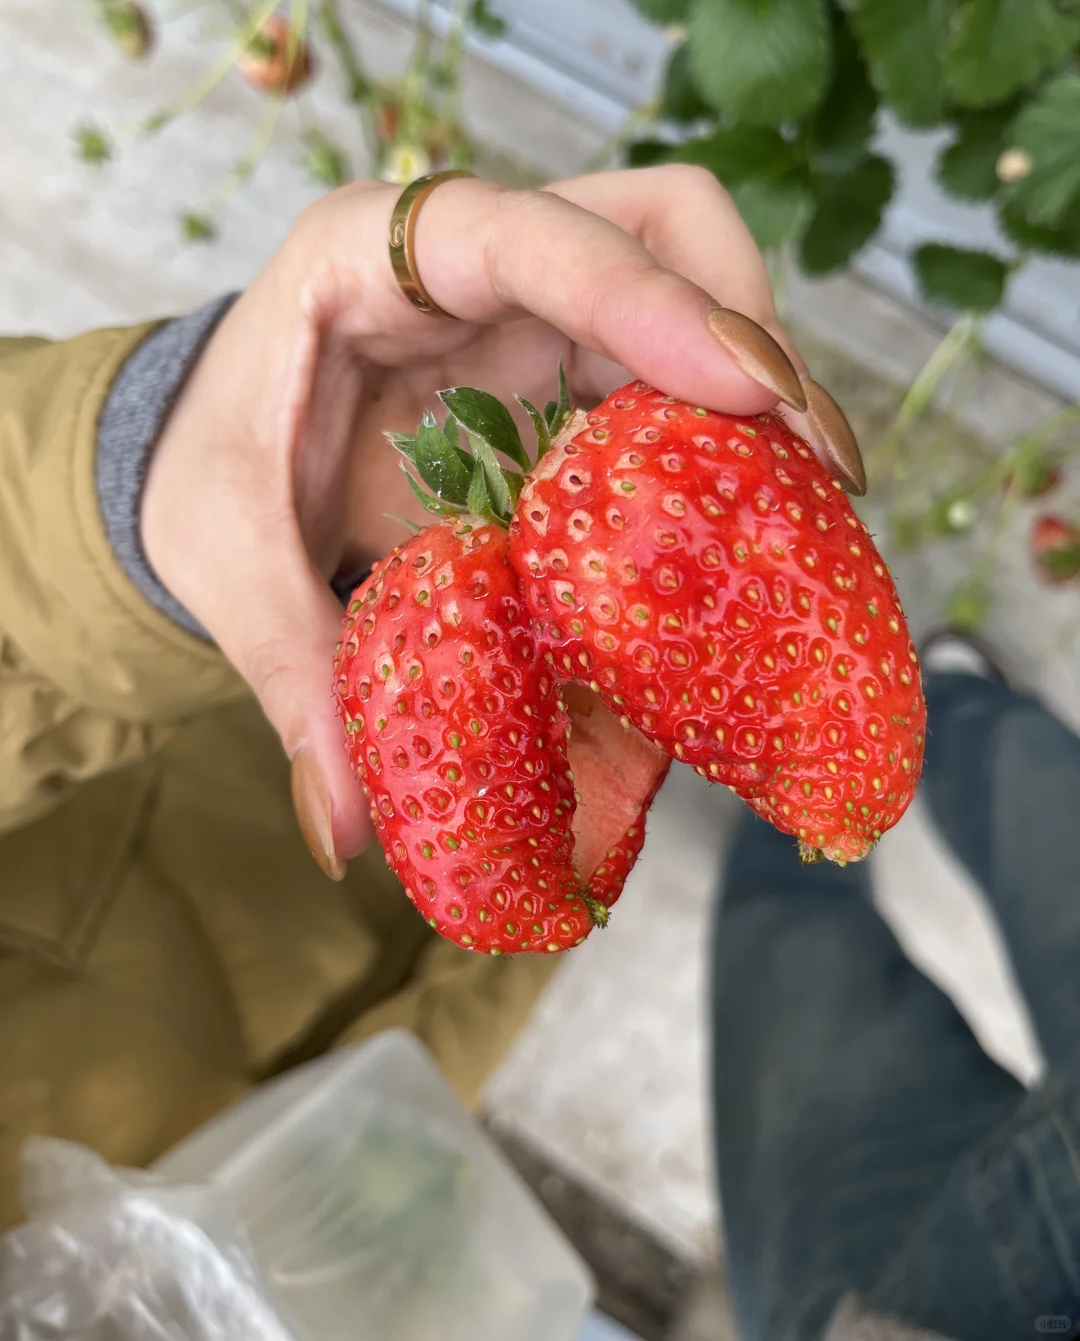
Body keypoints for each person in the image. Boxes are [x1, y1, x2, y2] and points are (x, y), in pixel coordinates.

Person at [0, 166, 863, 1231]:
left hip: (317, 630)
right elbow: (351, 1162)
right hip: (479, 801)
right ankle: (834, 806)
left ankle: (879, 773)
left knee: (802, 838)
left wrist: (125, 511)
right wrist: (496, 971)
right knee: (800, 855)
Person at [712, 631, 1080, 1340]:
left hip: (879, 1310)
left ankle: (828, 739)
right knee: (789, 944)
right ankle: (938, 712)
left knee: (788, 943)